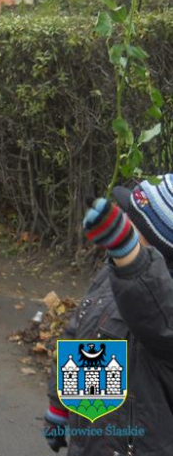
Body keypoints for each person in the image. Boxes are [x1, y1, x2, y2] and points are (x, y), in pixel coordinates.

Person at [43, 178, 173, 456]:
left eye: (131, 221)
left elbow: (155, 314)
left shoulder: (163, 306)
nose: (122, 219)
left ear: (157, 241)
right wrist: (59, 405)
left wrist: (130, 255)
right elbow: (84, 341)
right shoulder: (110, 277)